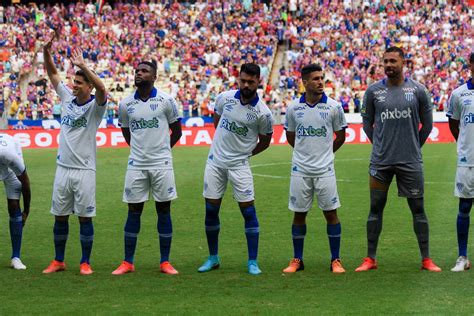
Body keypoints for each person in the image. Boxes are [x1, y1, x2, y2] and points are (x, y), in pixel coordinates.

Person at [355, 46, 441, 272]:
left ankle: (426, 259)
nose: (389, 65)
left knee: (418, 208)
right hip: (381, 162)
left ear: (404, 63)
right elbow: (366, 123)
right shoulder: (373, 92)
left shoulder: (418, 90)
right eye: (385, 61)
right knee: (375, 207)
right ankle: (370, 259)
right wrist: (380, 145)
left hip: (410, 161)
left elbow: (428, 125)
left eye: (393, 61)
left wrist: (413, 146)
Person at [198, 63, 274, 275]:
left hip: (239, 165)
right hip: (215, 162)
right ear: (238, 79)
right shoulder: (224, 98)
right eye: (243, 80)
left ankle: (252, 261)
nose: (246, 85)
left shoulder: (263, 114)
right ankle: (213, 257)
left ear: (259, 81)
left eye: (251, 81)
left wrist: (246, 153)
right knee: (211, 210)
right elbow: (217, 120)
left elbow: (266, 140)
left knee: (248, 211)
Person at [42, 33, 107, 275]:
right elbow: (52, 74)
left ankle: (85, 262)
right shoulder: (67, 99)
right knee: (59, 216)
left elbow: (102, 88)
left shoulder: (95, 108)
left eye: (79, 82)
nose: (74, 85)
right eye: (74, 81)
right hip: (63, 168)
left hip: (84, 170)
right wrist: (46, 53)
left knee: (84, 218)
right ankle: (58, 260)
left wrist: (83, 66)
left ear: (87, 86)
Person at [112, 61, 182, 275]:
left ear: (154, 76)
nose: (138, 73)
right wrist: (139, 150)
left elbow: (177, 131)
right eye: (137, 71)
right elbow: (126, 132)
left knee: (163, 210)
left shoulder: (166, 100)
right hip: (137, 164)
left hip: (162, 164)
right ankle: (127, 262)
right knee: (133, 211)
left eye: (144, 71)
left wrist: (162, 150)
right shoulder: (125, 104)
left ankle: (165, 262)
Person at [282, 64, 347, 274]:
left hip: (325, 170)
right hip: (300, 170)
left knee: (331, 214)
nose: (320, 82)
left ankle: (335, 260)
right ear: (305, 82)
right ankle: (297, 259)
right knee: (299, 215)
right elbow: (291, 136)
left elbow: (341, 136)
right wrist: (305, 153)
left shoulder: (334, 107)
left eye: (322, 78)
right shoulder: (293, 108)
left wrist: (326, 154)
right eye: (316, 79)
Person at [447, 52, 474, 272]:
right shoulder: (459, 94)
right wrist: (464, 145)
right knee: (464, 207)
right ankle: (463, 256)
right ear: (471, 66)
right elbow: (454, 125)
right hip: (468, 160)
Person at [0, 134, 31, 270]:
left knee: (13, 205)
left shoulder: (9, 155)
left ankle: (16, 258)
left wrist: (26, 211)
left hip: (10, 169)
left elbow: (25, 183)